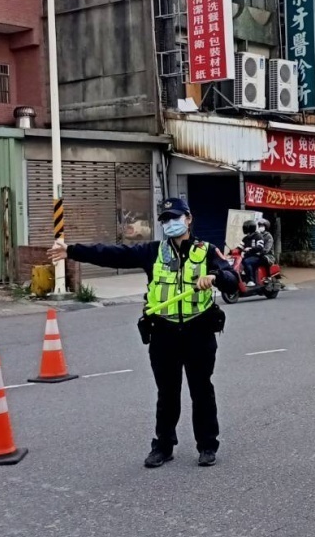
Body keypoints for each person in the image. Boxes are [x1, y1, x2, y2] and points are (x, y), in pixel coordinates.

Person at [48, 198, 238, 468]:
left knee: (202, 390)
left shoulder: (207, 251)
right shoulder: (153, 252)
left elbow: (233, 279)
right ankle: (163, 446)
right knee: (167, 392)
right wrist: (72, 251)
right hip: (164, 332)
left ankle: (207, 445)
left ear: (189, 218)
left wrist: (216, 278)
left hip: (198, 330)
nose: (171, 223)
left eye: (176, 217)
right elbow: (112, 253)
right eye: (166, 220)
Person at [239, 219, 265, 285]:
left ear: (250, 228)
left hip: (257, 257)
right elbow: (240, 247)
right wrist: (231, 252)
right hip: (248, 256)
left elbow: (260, 247)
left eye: (245, 227)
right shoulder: (245, 238)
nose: (244, 229)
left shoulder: (258, 236)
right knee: (239, 262)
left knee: (247, 262)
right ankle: (243, 279)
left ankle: (251, 280)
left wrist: (250, 249)